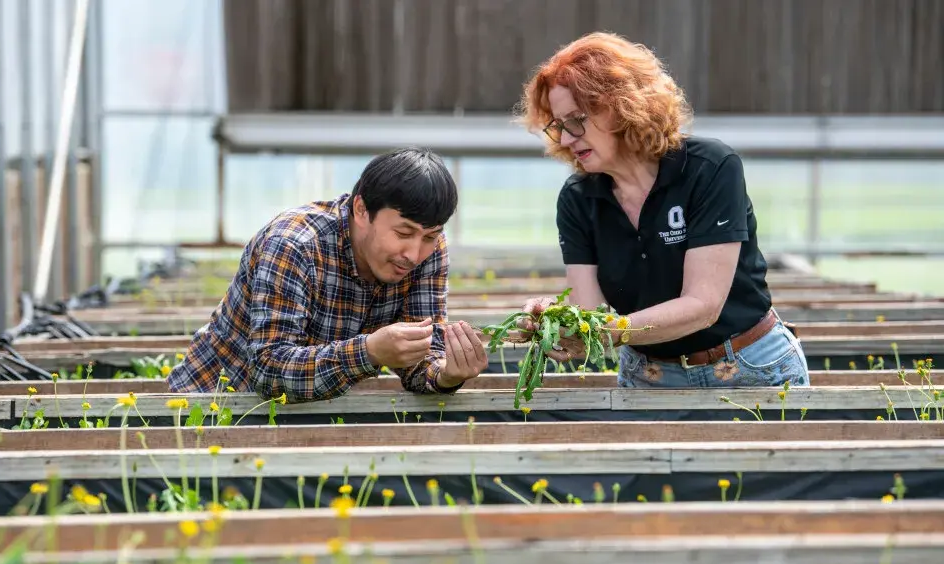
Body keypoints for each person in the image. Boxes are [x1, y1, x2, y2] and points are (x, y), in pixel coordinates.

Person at [513, 32, 809, 389]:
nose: (564, 139)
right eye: (558, 126)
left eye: (576, 120)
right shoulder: (579, 198)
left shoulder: (709, 168)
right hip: (649, 376)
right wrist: (556, 323)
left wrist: (613, 330)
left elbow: (703, 305)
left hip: (750, 367)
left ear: (622, 105)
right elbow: (588, 317)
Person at [167, 147, 489, 401]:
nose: (415, 254)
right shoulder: (293, 245)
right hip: (213, 406)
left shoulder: (427, 250)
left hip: (315, 410)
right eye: (403, 233)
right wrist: (370, 351)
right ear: (362, 210)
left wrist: (446, 374)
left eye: (430, 236)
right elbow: (269, 370)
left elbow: (421, 361)